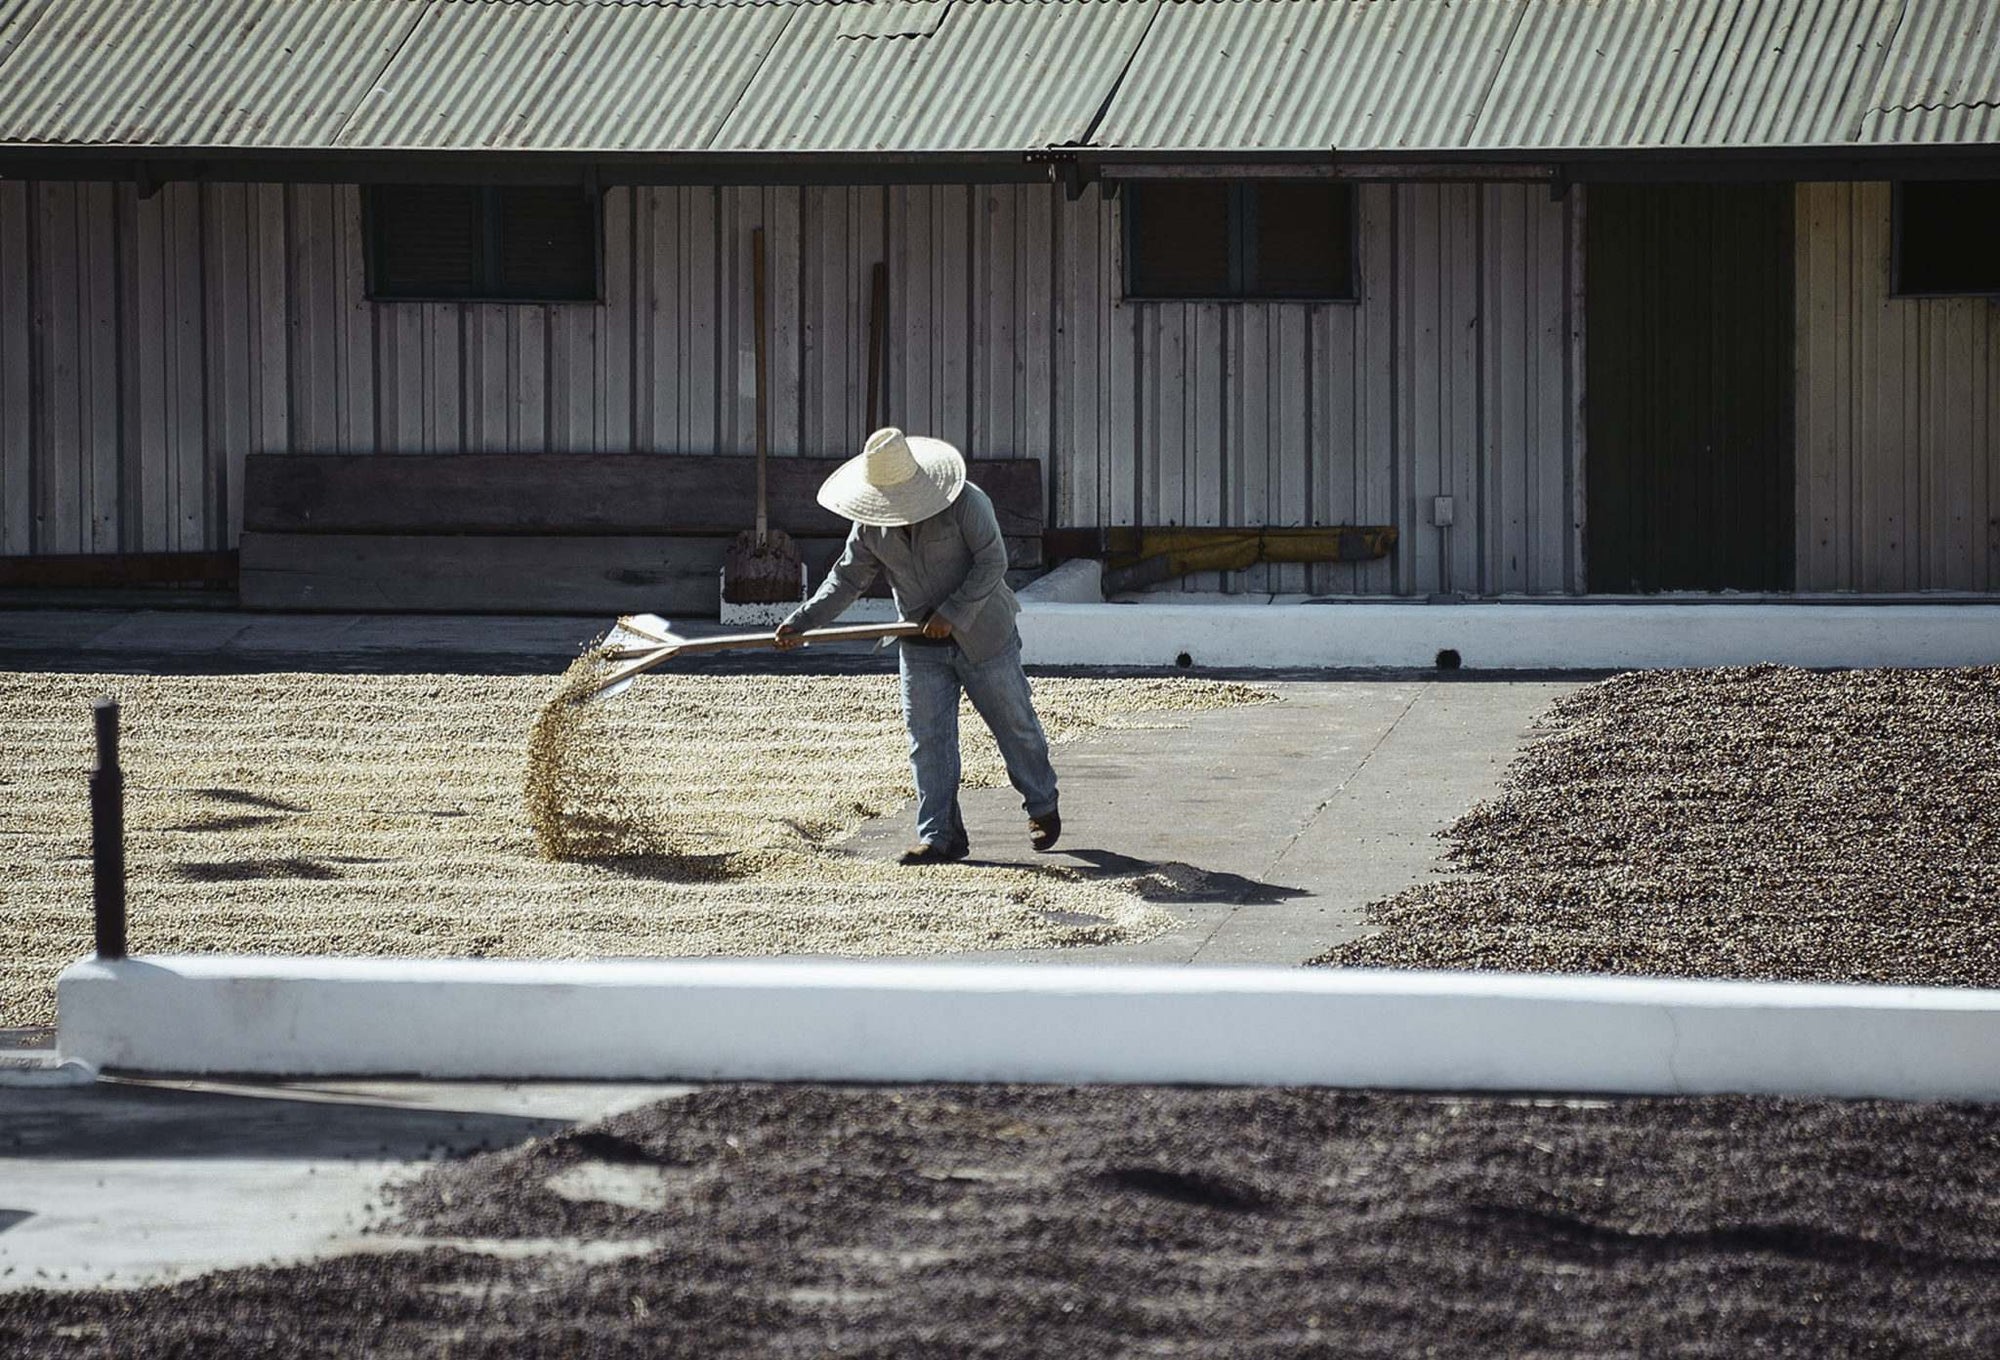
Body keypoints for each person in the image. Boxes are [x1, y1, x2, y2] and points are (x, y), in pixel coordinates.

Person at [777, 427, 1060, 865]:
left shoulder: (966, 501)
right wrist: (803, 621)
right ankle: (940, 835)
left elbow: (993, 561)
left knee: (1014, 723)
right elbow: (847, 579)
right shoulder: (871, 525)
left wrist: (953, 612)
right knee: (928, 739)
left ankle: (1042, 805)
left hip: (984, 633)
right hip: (918, 639)